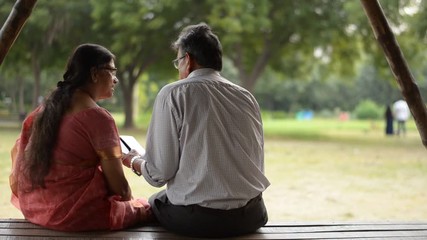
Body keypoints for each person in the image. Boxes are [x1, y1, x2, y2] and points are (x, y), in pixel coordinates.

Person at [122, 23, 270, 238]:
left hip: (200, 220)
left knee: (156, 200)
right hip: (252, 214)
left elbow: (158, 174)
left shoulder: (174, 94)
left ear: (188, 60)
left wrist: (133, 161)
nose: (178, 69)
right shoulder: (245, 96)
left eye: (177, 62)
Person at [9, 43, 150, 231]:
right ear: (94, 73)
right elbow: (122, 190)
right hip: (75, 215)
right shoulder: (98, 117)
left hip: (37, 210)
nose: (115, 79)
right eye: (112, 71)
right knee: (152, 206)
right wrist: (131, 206)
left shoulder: (44, 110)